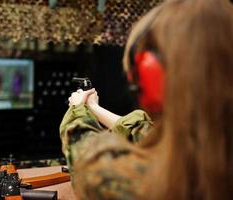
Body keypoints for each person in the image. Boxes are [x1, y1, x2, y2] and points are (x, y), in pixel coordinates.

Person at [60, 0, 233, 199]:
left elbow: (87, 162)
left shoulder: (139, 183)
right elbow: (145, 131)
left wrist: (78, 111)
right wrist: (94, 108)